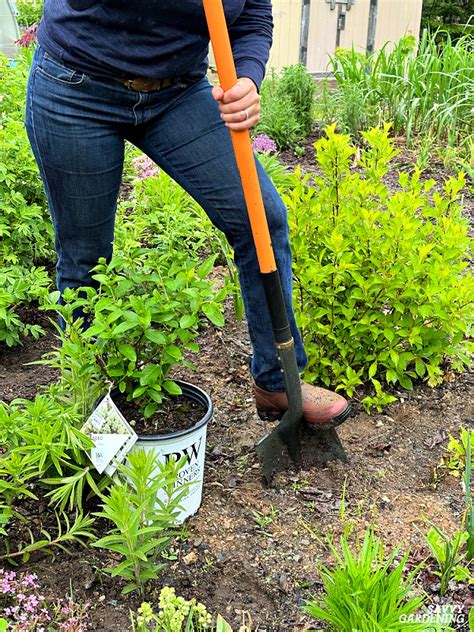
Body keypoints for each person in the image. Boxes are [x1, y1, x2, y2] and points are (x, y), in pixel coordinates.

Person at [25, 0, 351, 427]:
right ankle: (89, 406)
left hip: (176, 92)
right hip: (77, 86)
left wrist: (248, 78)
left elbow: (252, 15)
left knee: (261, 222)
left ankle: (278, 382)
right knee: (85, 257)